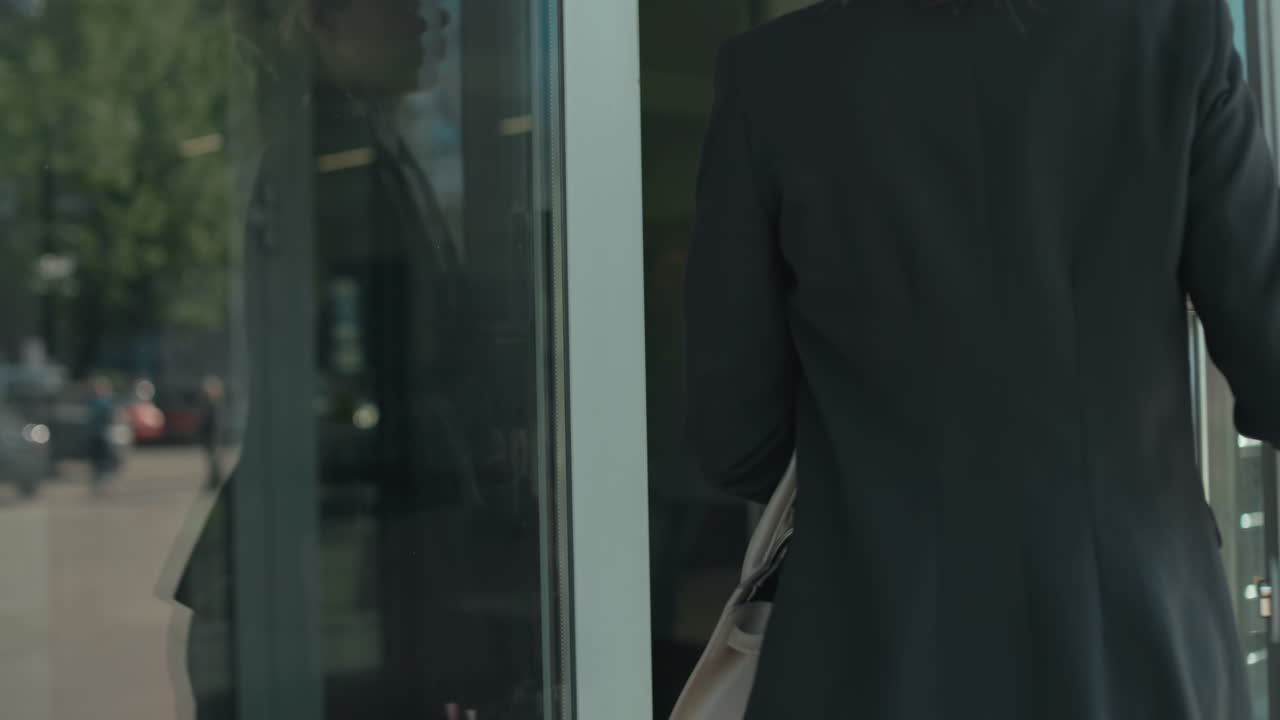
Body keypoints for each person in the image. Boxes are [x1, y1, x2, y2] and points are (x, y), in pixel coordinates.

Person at [685, 1, 1279, 718]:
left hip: (868, 647)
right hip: (1142, 640)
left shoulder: (772, 73)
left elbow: (735, 440)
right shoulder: (1178, 34)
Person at [173, 1, 513, 717]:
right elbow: (358, 385)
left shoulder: (361, 152)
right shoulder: (324, 167)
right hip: (345, 563)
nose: (432, 18)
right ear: (317, 22)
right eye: (401, 2)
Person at [86, 376, 119, 490]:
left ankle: (104, 482)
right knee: (100, 461)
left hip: (103, 436)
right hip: (97, 436)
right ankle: (101, 482)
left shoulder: (101, 402)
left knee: (104, 460)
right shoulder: (96, 401)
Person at [196, 375, 227, 491]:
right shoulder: (211, 403)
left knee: (214, 461)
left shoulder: (213, 404)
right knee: (213, 461)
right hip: (210, 437)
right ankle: (215, 482)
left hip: (212, 437)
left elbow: (213, 423)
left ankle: (215, 482)